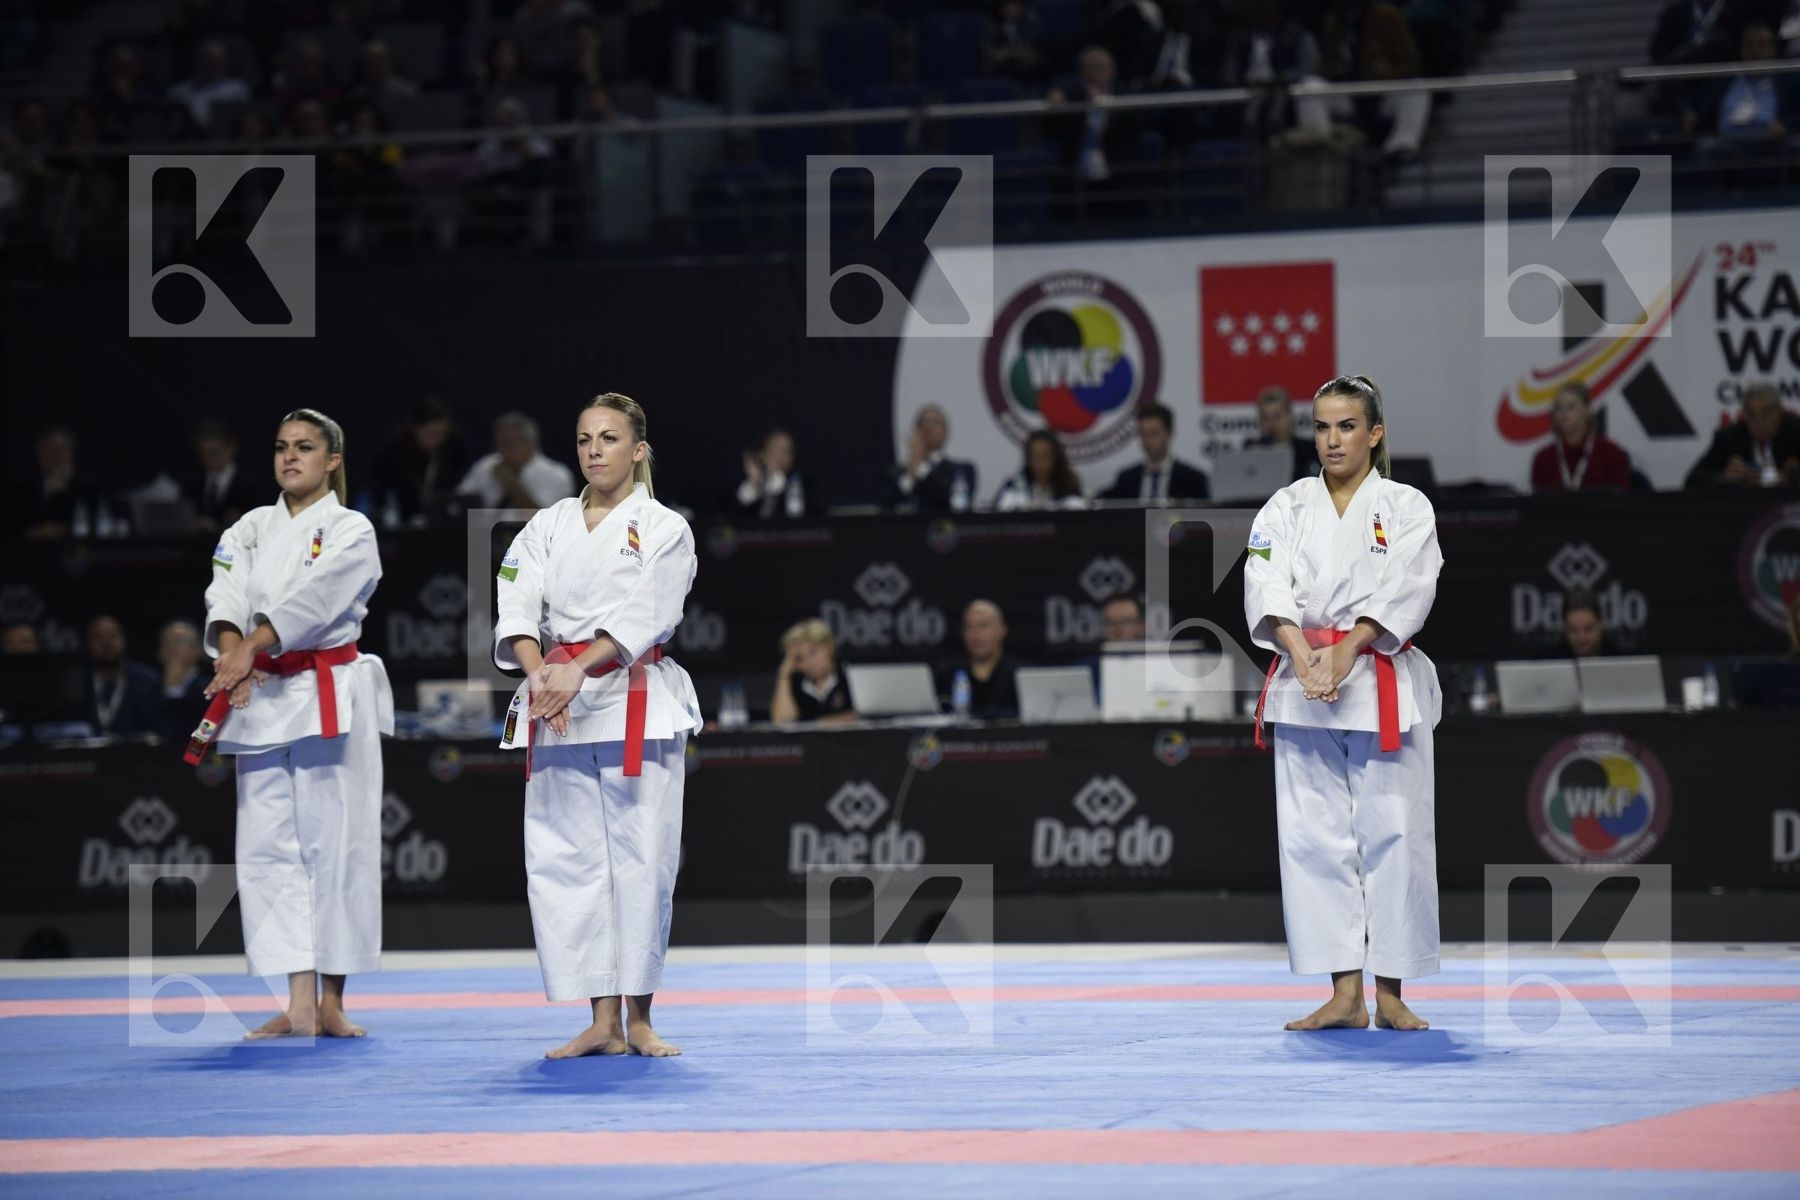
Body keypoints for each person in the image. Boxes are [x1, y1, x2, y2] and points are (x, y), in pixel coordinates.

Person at [494, 392, 703, 1059]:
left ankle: (640, 1016)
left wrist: (577, 669)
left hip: (630, 697)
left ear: (637, 450)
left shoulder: (664, 526)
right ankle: (600, 1018)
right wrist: (541, 675)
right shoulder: (549, 524)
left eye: (609, 439)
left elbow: (651, 613)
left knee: (641, 862)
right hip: (557, 701)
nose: (594, 450)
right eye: (584, 439)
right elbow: (515, 598)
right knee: (568, 863)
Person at [1244, 374, 1442, 1032]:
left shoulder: (1406, 506)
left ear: (1374, 433)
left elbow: (1411, 588)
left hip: (1377, 676)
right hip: (1305, 684)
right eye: (1323, 427)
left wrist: (1350, 648)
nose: (1332, 439)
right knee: (1313, 841)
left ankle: (1391, 991)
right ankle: (1344, 994)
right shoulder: (1285, 507)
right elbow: (1263, 577)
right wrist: (1301, 652)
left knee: (1395, 833)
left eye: (1347, 426)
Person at [196, 408, 395, 1040]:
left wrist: (248, 648)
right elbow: (223, 593)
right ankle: (299, 1002)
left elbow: (317, 601)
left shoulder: (350, 529)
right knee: (267, 851)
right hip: (259, 694)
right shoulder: (249, 527)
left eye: (305, 448)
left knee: (335, 847)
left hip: (326, 690)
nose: (290, 457)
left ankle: (332, 1000)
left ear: (332, 460)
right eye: (282, 447)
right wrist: (236, 653)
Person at [372, 398, 473, 521]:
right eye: (429, 435)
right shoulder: (395, 452)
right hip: (404, 517)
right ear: (415, 430)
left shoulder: (456, 449)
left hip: (443, 518)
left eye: (440, 435)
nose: (435, 441)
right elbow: (380, 488)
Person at [1685, 383, 1800, 489]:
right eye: (1751, 415)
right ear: (1744, 416)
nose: (1759, 421)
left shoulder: (1795, 432)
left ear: (1780, 411)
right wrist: (1723, 478)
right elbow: (1692, 481)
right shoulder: (1729, 438)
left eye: (1767, 413)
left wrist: (1790, 478)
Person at [458, 411, 578, 509]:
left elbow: (541, 521)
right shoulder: (486, 465)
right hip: (481, 535)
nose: (504, 451)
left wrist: (510, 481)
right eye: (500, 444)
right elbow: (460, 502)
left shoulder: (556, 475)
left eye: (510, 444)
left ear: (531, 444)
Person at [1529, 382, 1633, 492]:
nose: (1563, 413)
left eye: (1571, 407)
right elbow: (1537, 505)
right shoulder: (1543, 458)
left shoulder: (1611, 454)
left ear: (1587, 410)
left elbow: (1623, 504)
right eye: (1558, 408)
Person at [1100, 403, 1211, 502]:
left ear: (1169, 433)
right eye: (1142, 434)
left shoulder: (1193, 479)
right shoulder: (1127, 479)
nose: (1146, 440)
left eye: (1153, 433)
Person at [936, 599, 1024, 719]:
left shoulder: (1021, 674)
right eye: (969, 627)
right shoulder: (946, 674)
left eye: (983, 626)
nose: (975, 633)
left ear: (1002, 630)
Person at [889, 404, 978, 512]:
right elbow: (888, 505)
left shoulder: (962, 470)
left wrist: (921, 467)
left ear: (946, 432)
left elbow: (951, 502)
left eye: (935, 422)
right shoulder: (895, 474)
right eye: (923, 422)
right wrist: (911, 474)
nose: (928, 427)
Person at [84, 614, 161, 737]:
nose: (107, 643)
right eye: (99, 637)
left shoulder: (147, 681)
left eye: (113, 636)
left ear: (124, 640)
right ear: (88, 643)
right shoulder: (76, 682)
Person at [770, 618, 854, 724]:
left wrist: (821, 725)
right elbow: (782, 722)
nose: (808, 663)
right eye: (799, 658)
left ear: (829, 647)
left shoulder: (850, 675)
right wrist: (784, 674)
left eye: (813, 652)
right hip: (806, 741)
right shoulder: (796, 682)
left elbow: (860, 717)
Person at [186, 420, 265, 532]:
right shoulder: (192, 484)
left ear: (231, 448)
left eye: (214, 452)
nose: (209, 459)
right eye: (203, 454)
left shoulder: (250, 485)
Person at [727, 428, 814, 519]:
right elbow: (731, 519)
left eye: (788, 451)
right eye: (776, 449)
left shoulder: (805, 487)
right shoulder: (743, 489)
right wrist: (754, 483)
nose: (783, 456)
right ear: (762, 454)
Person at [993, 429, 1089, 511]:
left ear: (1056, 458)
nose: (1040, 462)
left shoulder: (1069, 485)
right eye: (1035, 456)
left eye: (1045, 456)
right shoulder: (1014, 484)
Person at [155, 619, 209, 743]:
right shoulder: (149, 687)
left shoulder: (210, 690)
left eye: (178, 642)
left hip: (197, 758)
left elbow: (204, 735)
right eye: (166, 642)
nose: (171, 647)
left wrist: (174, 691)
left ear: (197, 650)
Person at [1254, 387, 1322, 481]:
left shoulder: (1311, 451)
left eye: (1277, 416)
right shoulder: (1253, 451)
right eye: (1266, 418)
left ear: (1289, 416)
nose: (1272, 423)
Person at [1551, 587, 1620, 659]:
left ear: (1601, 624)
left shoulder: (1622, 658)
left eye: (1588, 629)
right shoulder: (1548, 661)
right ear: (1564, 628)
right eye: (1573, 630)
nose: (1582, 638)